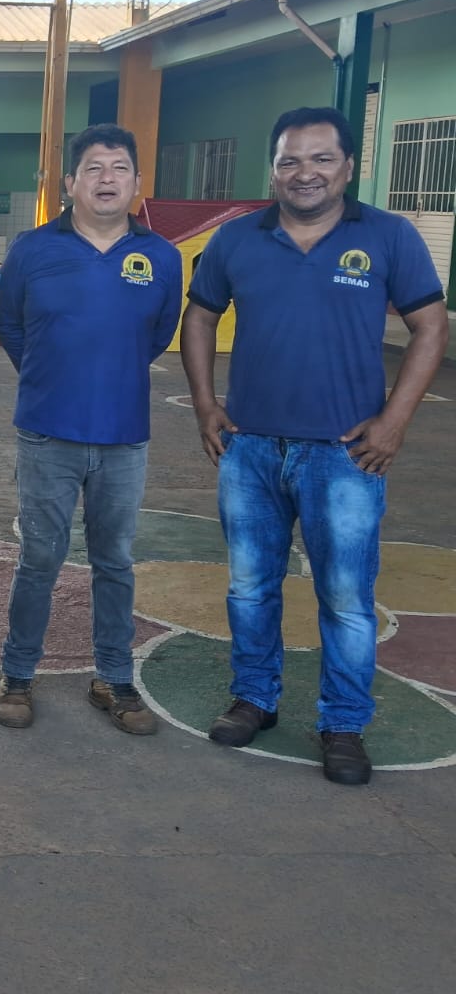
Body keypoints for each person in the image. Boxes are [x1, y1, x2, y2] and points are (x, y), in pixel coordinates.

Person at [182, 106, 448, 786]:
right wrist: (207, 405)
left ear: (349, 167)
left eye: (321, 159)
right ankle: (255, 699)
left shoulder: (388, 237)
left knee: (346, 598)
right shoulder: (238, 240)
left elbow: (429, 325)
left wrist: (393, 422)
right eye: (290, 160)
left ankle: (342, 724)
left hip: (345, 456)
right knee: (249, 590)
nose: (305, 173)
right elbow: (201, 315)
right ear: (272, 170)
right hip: (251, 450)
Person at [0, 124, 181, 734]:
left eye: (119, 167)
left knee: (115, 562)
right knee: (39, 558)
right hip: (48, 433)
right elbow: (11, 327)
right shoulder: (32, 249)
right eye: (93, 168)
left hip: (124, 437)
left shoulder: (159, 257)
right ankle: (18, 675)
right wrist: (52, 377)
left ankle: (114, 680)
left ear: (136, 182)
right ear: (69, 183)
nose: (106, 178)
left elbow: (157, 334)